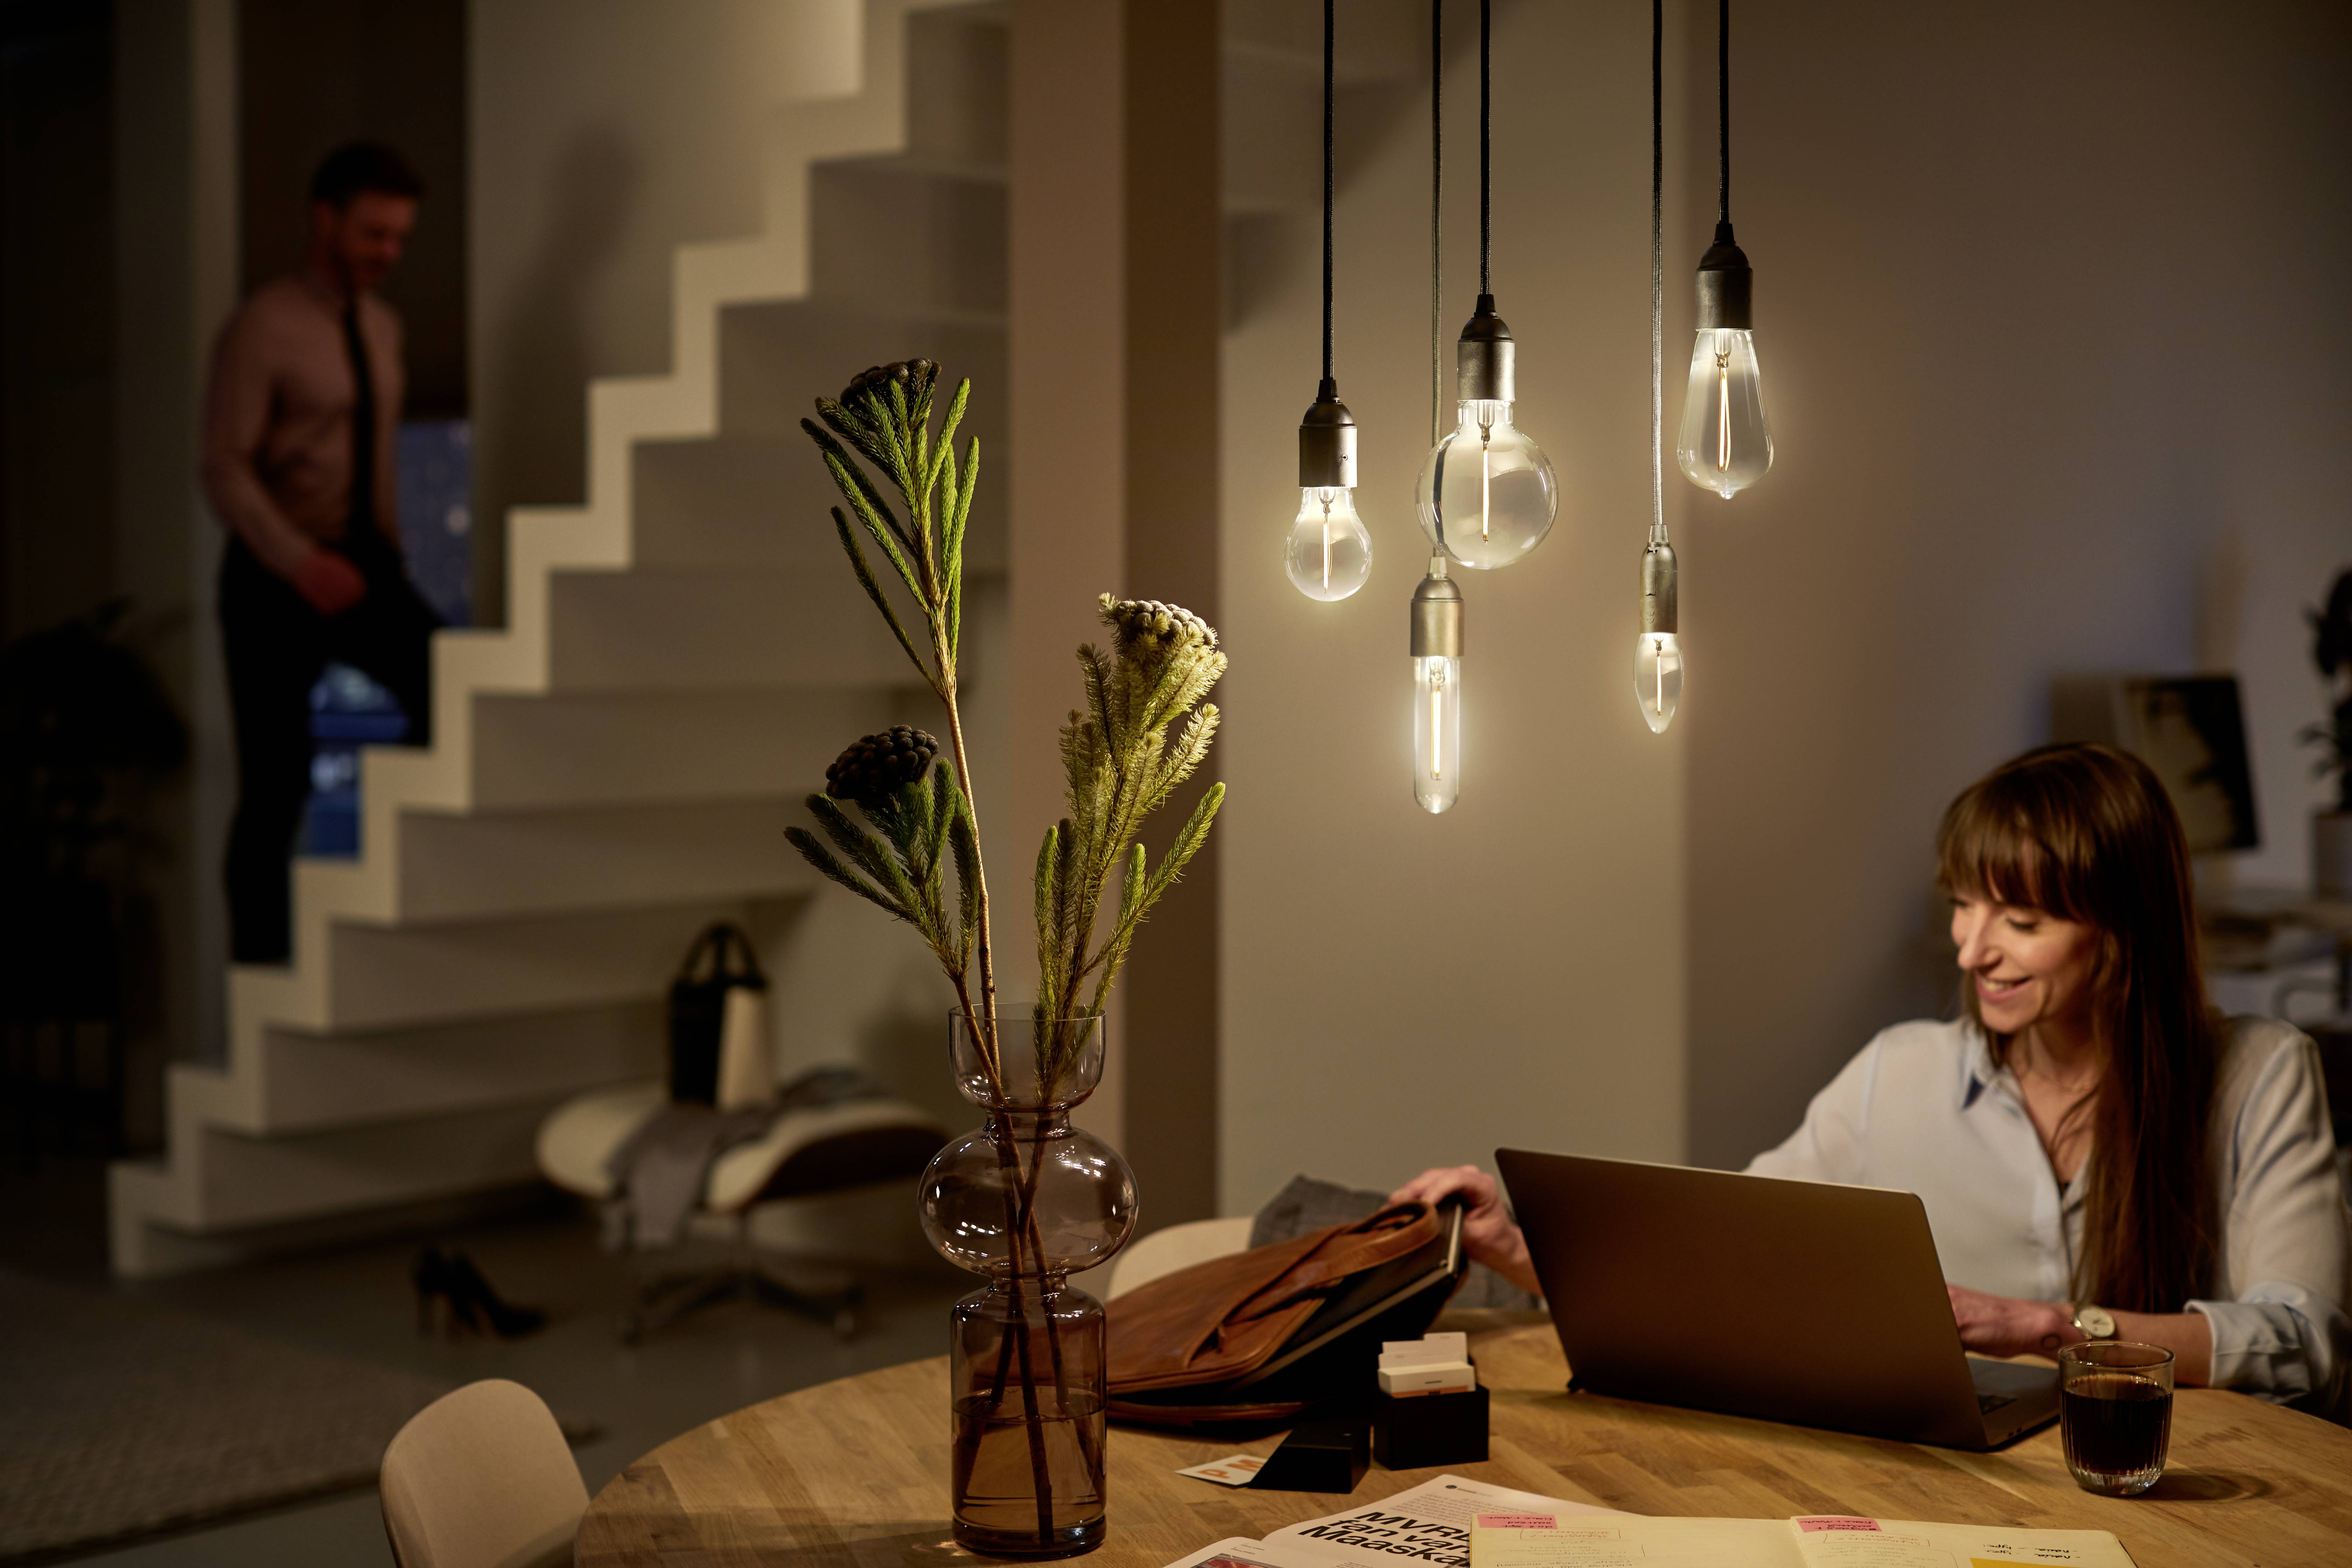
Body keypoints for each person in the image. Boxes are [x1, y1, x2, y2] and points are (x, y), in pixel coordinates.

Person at [1397, 743, 2351, 1420]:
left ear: (2124, 931)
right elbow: (1718, 1270)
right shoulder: (1900, 1070)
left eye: (2020, 920)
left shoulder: (2259, 1075)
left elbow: (2304, 1340)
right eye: (1965, 906)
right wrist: (1515, 1250)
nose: (1973, 949)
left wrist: (2048, 1328)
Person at [201, 142, 442, 964]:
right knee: (275, 787)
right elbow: (223, 465)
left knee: (449, 687)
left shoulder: (384, 326)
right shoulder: (264, 326)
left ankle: (394, 897)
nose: (389, 254)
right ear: (325, 220)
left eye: (401, 238)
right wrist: (301, 561)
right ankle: (261, 976)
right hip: (276, 575)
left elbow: (372, 453)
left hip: (367, 560)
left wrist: (389, 558)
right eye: (375, 234)